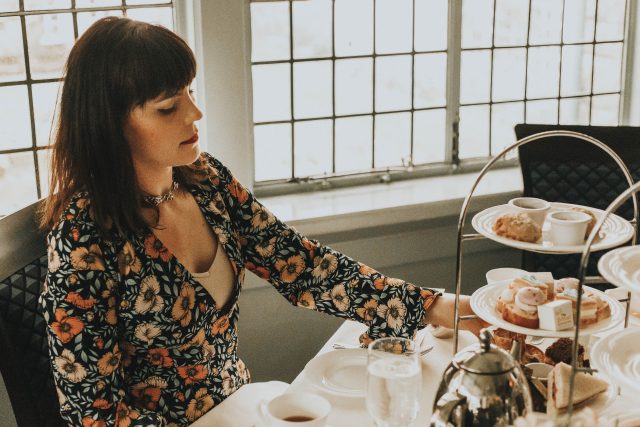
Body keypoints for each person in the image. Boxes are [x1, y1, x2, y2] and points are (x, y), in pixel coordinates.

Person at [39, 16, 483, 427]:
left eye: (191, 92)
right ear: (110, 123)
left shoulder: (205, 180)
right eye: (169, 106)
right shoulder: (83, 238)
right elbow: (94, 416)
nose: (194, 114)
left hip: (245, 407)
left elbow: (300, 264)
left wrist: (430, 305)